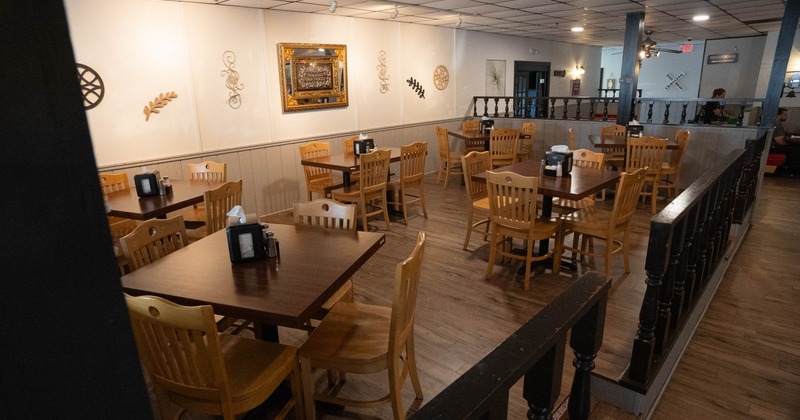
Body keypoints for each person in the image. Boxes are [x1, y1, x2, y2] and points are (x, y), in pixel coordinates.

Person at [771, 107, 800, 177]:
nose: (786, 116)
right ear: (778, 115)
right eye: (785, 114)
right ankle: (793, 170)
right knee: (795, 149)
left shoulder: (778, 123)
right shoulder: (776, 124)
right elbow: (780, 141)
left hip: (775, 145)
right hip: (773, 147)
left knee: (795, 147)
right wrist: (791, 143)